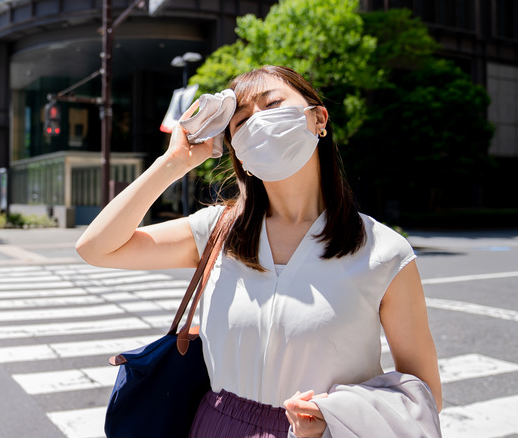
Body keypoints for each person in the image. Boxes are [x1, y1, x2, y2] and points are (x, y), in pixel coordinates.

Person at [76, 65, 442, 438]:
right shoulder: (218, 230)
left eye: (272, 104)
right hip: (216, 427)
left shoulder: (384, 252)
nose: (258, 123)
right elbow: (96, 248)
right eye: (241, 121)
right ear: (237, 149)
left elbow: (423, 395)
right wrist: (176, 162)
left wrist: (335, 416)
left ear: (319, 118)